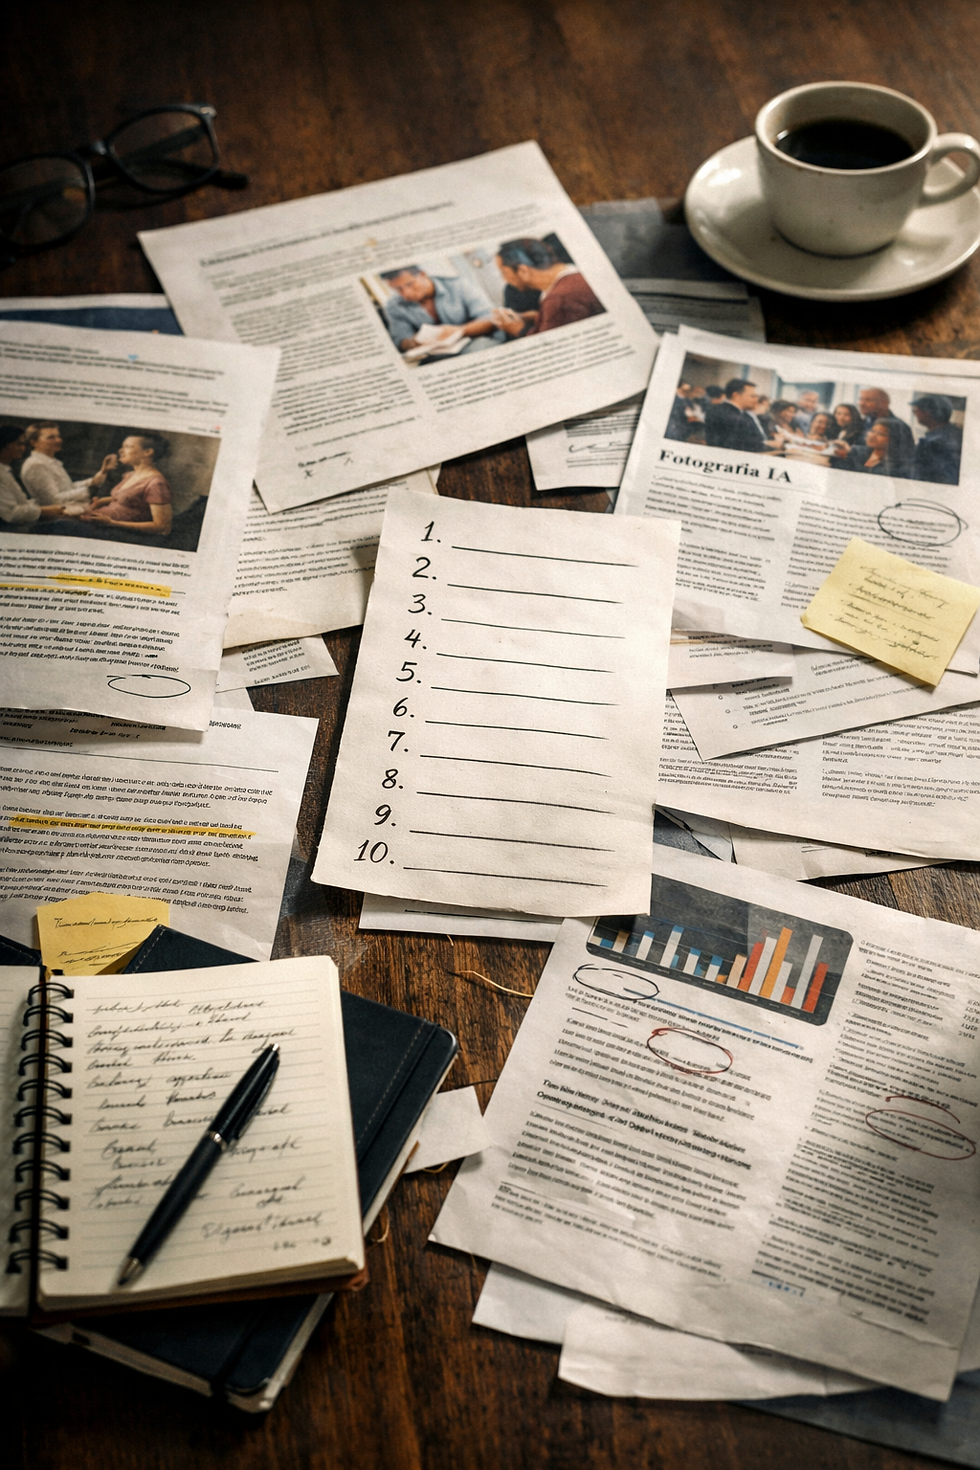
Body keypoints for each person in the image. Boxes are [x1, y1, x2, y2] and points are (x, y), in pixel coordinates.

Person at [62, 433, 173, 536]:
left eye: (128, 447)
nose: (120, 451)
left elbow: (162, 527)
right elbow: (125, 499)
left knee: (61, 525)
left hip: (117, 532)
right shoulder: (130, 475)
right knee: (59, 517)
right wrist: (99, 502)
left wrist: (112, 523)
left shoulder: (156, 483)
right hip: (98, 522)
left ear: (148, 452)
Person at [491, 238, 605, 337]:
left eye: (504, 272)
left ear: (523, 271)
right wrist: (539, 317)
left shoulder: (557, 300)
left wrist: (520, 330)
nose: (505, 279)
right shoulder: (574, 274)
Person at [379, 266, 499, 353]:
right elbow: (400, 340)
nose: (406, 293)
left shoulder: (459, 285)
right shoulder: (393, 306)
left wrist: (460, 330)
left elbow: (490, 318)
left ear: (422, 274)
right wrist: (414, 341)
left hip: (473, 342)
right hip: (434, 354)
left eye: (410, 284)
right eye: (398, 289)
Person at [19, 422, 114, 507]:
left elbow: (67, 488)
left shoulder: (49, 462)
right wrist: (89, 491)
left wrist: (96, 479)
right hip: (58, 517)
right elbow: (53, 501)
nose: (58, 440)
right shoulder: (35, 465)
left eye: (58, 436)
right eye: (51, 437)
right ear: (34, 443)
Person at [0, 426, 68, 531]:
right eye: (19, 444)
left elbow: (22, 503)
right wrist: (43, 511)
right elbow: (11, 514)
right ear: (5, 445)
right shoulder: (35, 465)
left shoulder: (5, 469)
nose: (23, 448)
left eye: (23, 444)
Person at [849, 386, 915, 475]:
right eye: (861, 399)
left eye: (868, 400)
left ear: (884, 403)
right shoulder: (863, 423)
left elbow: (904, 463)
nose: (861, 403)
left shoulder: (899, 426)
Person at [703, 378, 765, 452]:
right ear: (736, 395)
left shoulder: (745, 415)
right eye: (753, 396)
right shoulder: (722, 413)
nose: (756, 400)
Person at [912, 394, 963, 484]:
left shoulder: (935, 443)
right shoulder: (953, 434)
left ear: (928, 412)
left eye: (916, 409)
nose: (914, 413)